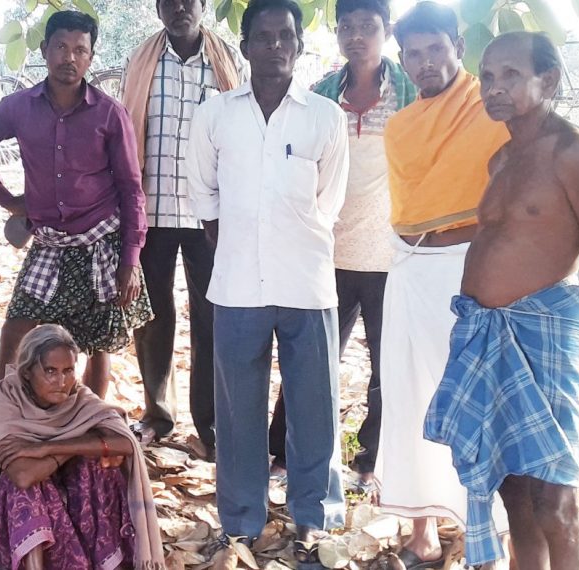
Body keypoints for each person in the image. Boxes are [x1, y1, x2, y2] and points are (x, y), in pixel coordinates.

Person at [423, 32, 579, 569]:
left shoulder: (571, 151)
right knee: (513, 490)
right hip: (487, 333)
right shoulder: (501, 158)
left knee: (555, 497)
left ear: (546, 81)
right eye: (490, 76)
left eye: (511, 75)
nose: (495, 88)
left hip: (547, 332)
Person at [186, 0, 349, 564]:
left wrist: (289, 238)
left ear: (300, 45)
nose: (275, 45)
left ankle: (315, 517)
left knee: (314, 407)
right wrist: (234, 239)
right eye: (263, 36)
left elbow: (330, 202)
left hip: (306, 283)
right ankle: (240, 520)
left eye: (285, 36)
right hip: (236, 287)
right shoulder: (215, 114)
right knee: (237, 414)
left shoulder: (324, 117)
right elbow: (204, 195)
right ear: (246, 45)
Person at [373, 3, 510, 568]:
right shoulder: (401, 124)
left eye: (436, 49)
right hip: (409, 267)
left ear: (458, 45)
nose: (425, 62)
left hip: (472, 267)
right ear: (402, 59)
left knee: (477, 401)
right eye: (413, 53)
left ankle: (492, 531)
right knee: (410, 398)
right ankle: (422, 530)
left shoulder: (491, 107)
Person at [267, 0, 415, 489]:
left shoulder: (411, 94)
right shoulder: (320, 96)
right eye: (346, 27)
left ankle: (372, 460)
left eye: (367, 27)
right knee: (309, 360)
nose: (356, 37)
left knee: (388, 366)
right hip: (327, 254)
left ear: (386, 31)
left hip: (392, 258)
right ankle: (287, 453)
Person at [0, 10, 151, 400]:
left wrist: (130, 259)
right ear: (44, 50)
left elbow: (131, 189)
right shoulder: (17, 107)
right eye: (60, 47)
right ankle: (2, 419)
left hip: (99, 244)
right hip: (50, 245)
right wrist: (9, 201)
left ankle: (85, 428)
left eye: (79, 50)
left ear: (90, 57)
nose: (68, 58)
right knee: (16, 328)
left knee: (96, 344)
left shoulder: (110, 114)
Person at [119, 0, 245, 453]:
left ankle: (208, 423)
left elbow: (244, 130)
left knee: (212, 315)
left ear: (204, 6)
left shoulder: (228, 61)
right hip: (150, 211)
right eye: (169, 1)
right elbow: (126, 128)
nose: (180, 8)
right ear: (157, 9)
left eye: (189, 0)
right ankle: (158, 414)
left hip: (210, 214)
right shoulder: (142, 59)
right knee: (151, 316)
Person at [0, 324, 165, 570]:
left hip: (70, 506)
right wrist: (66, 451)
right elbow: (23, 475)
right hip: (11, 529)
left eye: (68, 371)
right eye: (50, 371)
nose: (61, 381)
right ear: (27, 371)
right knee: (24, 487)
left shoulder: (78, 397)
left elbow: (125, 443)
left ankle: (107, 562)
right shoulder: (1, 399)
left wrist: (49, 449)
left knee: (101, 466)